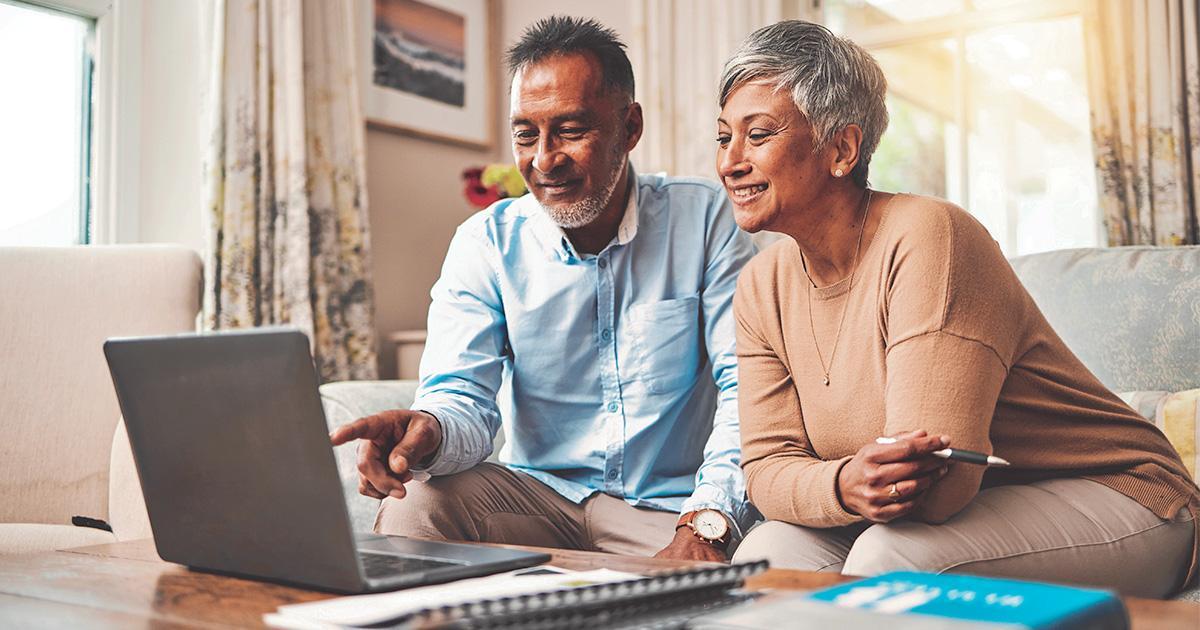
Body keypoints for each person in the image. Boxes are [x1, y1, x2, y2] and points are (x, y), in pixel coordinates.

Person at [717, 20, 1199, 597]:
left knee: (889, 559)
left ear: (841, 148)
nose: (731, 162)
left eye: (759, 134)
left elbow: (936, 490)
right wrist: (845, 484)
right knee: (765, 558)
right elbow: (766, 470)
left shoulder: (931, 236)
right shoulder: (760, 284)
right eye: (724, 138)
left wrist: (836, 485)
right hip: (976, 508)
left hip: (1123, 495)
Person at [330, 16, 756, 562]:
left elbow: (747, 389)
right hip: (538, 501)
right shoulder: (485, 243)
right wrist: (428, 429)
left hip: (669, 510)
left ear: (629, 128)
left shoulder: (704, 219)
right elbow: (463, 397)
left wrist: (707, 523)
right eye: (526, 134)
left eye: (572, 130)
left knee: (763, 561)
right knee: (418, 504)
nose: (544, 159)